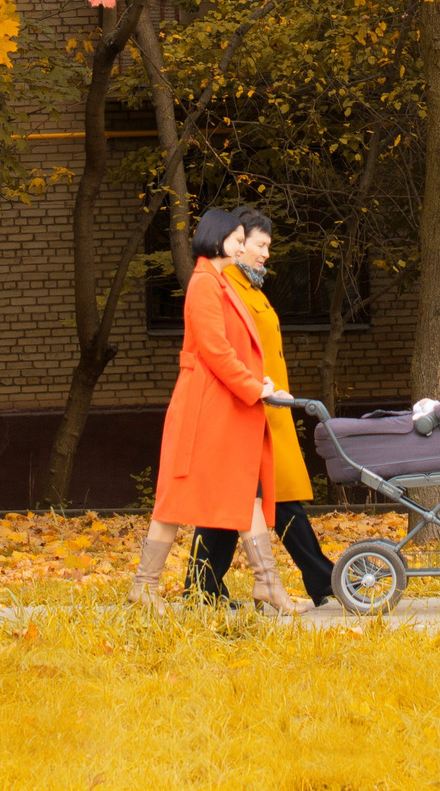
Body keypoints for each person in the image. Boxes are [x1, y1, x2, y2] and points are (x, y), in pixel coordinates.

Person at [125, 208, 302, 613]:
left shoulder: (218, 283)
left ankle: (267, 585)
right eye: (238, 239)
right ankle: (145, 585)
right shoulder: (205, 282)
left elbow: (231, 350)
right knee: (175, 496)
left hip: (226, 407)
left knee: (246, 494)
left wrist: (260, 384)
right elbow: (215, 350)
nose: (243, 246)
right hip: (206, 410)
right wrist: (254, 387)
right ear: (217, 238)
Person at [187, 212, 336, 608]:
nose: (265, 254)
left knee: (255, 500)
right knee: (255, 499)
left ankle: (202, 589)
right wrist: (257, 392)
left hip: (267, 407)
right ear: (233, 243)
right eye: (258, 245)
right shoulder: (225, 287)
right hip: (247, 408)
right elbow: (222, 352)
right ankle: (321, 580)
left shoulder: (251, 288)